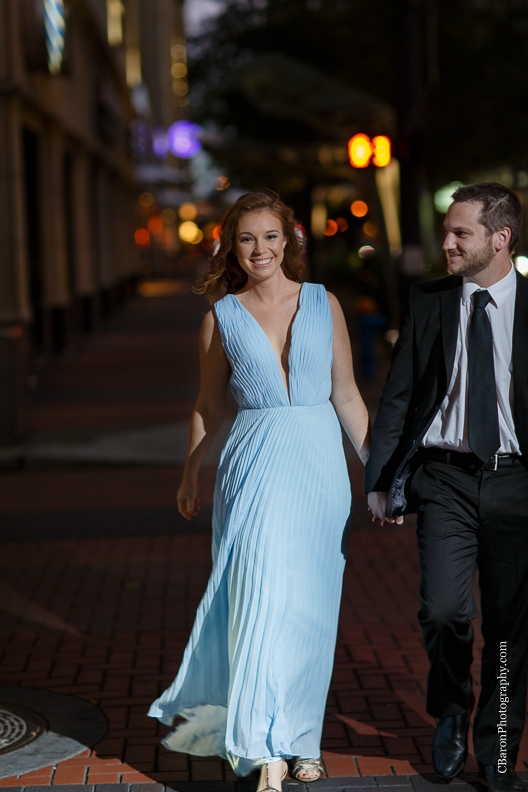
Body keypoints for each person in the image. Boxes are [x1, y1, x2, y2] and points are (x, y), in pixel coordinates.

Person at [148, 191, 370, 792]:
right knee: (260, 598)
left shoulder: (326, 305)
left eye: (270, 236)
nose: (260, 249)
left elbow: (346, 395)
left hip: (320, 466)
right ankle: (264, 746)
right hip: (252, 469)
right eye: (247, 238)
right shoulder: (219, 317)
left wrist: (377, 472)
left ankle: (303, 738)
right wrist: (191, 470)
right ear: (232, 247)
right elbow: (209, 407)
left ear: (290, 240)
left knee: (309, 610)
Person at [366, 183, 528, 792]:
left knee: (509, 627)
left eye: (461, 233)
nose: (448, 243)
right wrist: (381, 479)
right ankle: (453, 709)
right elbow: (401, 392)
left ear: (500, 239)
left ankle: (500, 738)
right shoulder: (430, 300)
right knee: (443, 609)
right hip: (446, 480)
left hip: (518, 481)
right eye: (448, 232)